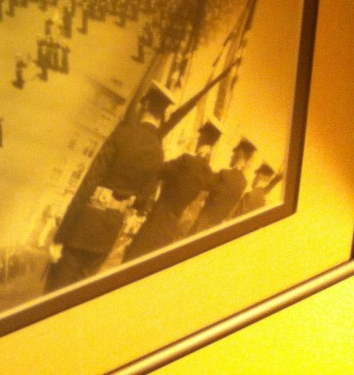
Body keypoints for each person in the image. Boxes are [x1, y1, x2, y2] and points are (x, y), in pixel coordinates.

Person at [44, 81, 171, 293]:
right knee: (77, 297)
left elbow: (89, 182)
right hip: (108, 234)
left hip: (83, 227)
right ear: (162, 114)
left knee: (54, 294)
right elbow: (143, 201)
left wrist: (60, 236)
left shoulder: (123, 134)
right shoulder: (158, 153)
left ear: (145, 106)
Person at [122, 119, 221, 262]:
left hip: (157, 218)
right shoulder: (207, 173)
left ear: (202, 139)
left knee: (133, 259)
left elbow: (160, 169)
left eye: (200, 138)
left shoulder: (186, 160)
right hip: (171, 227)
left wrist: (181, 150)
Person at [188, 138, 257, 235]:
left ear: (239, 154)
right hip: (216, 228)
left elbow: (203, 182)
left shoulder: (225, 175)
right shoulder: (243, 183)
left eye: (234, 154)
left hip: (203, 224)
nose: (231, 156)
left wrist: (202, 158)